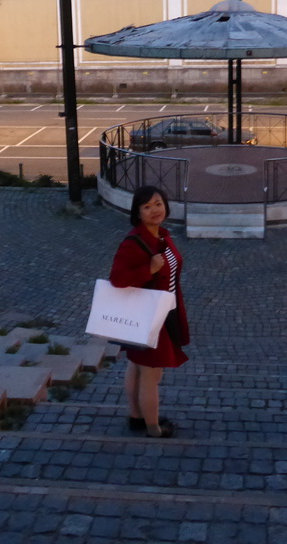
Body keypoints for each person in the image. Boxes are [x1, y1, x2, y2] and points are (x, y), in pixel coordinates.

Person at [109, 185, 189, 438]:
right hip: (149, 316)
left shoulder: (161, 236)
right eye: (147, 206)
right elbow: (118, 279)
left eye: (158, 204)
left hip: (161, 312)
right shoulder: (135, 242)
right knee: (151, 374)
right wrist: (150, 270)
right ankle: (153, 428)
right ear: (138, 212)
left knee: (137, 366)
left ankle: (137, 417)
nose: (155, 210)